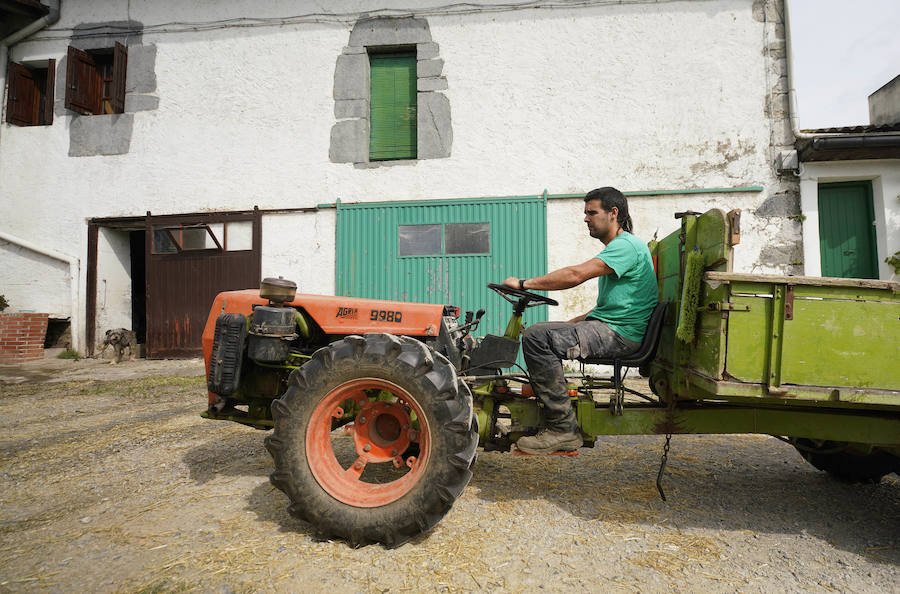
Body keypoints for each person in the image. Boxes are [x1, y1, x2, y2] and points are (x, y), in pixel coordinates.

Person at [501, 186, 658, 454]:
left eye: (591, 212)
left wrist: (524, 283)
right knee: (541, 332)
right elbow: (604, 309)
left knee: (538, 337)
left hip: (621, 335)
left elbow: (576, 275)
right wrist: (570, 324)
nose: (586, 218)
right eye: (585, 213)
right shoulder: (620, 248)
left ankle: (563, 429)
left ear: (613, 213)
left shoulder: (626, 245)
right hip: (612, 328)